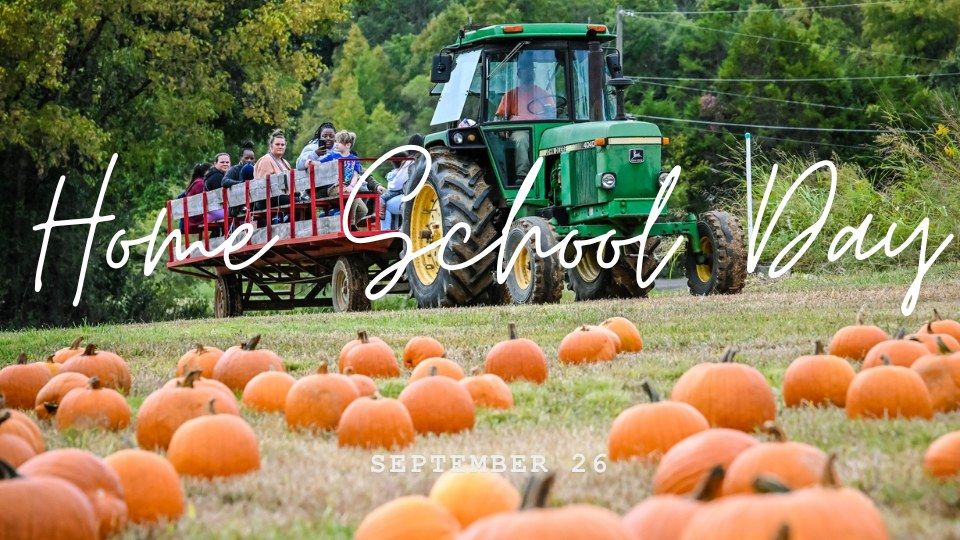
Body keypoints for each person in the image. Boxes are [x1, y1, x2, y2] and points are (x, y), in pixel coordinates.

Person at [495, 56, 555, 180]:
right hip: (520, 129)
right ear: (518, 74)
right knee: (521, 139)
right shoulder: (511, 95)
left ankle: (551, 174)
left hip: (543, 131)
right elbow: (500, 117)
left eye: (531, 70)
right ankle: (522, 175)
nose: (529, 73)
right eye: (525, 70)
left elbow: (553, 111)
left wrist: (549, 111)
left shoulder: (543, 93)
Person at [318, 130, 369, 227]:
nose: (336, 144)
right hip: (334, 187)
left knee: (363, 210)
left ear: (348, 145)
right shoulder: (333, 156)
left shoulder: (354, 159)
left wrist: (352, 186)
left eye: (339, 142)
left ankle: (342, 225)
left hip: (348, 187)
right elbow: (319, 163)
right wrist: (311, 162)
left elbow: (355, 175)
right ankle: (351, 224)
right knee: (351, 194)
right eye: (336, 141)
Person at [381, 134, 423, 227]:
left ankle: (386, 233)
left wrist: (390, 186)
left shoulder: (409, 161)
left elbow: (396, 185)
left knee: (385, 206)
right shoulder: (427, 159)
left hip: (412, 198)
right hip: (425, 195)